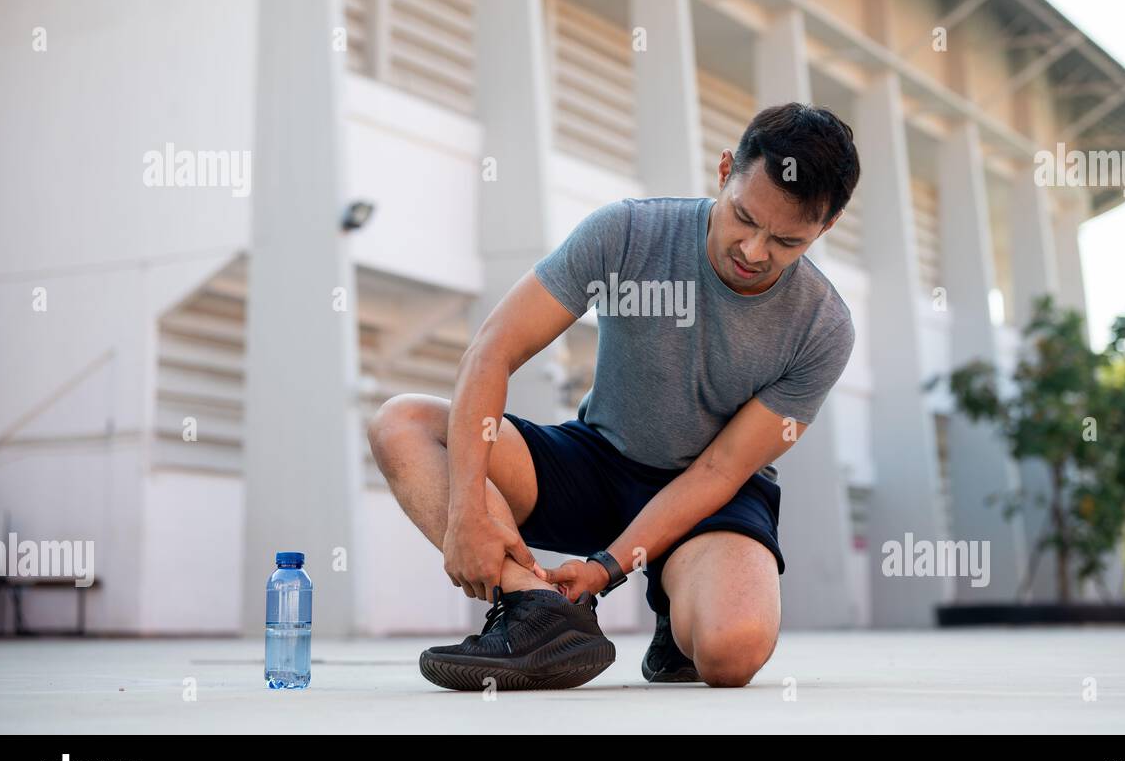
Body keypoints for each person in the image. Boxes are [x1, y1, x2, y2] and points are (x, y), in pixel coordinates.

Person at [368, 102, 860, 690]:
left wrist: (606, 568)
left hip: (709, 497)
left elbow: (720, 468)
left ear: (824, 228)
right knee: (404, 424)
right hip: (597, 462)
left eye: (785, 240)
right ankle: (541, 613)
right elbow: (492, 351)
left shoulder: (823, 327)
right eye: (744, 218)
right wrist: (467, 509)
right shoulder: (628, 233)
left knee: (732, 654)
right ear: (725, 170)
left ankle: (676, 607)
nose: (754, 251)